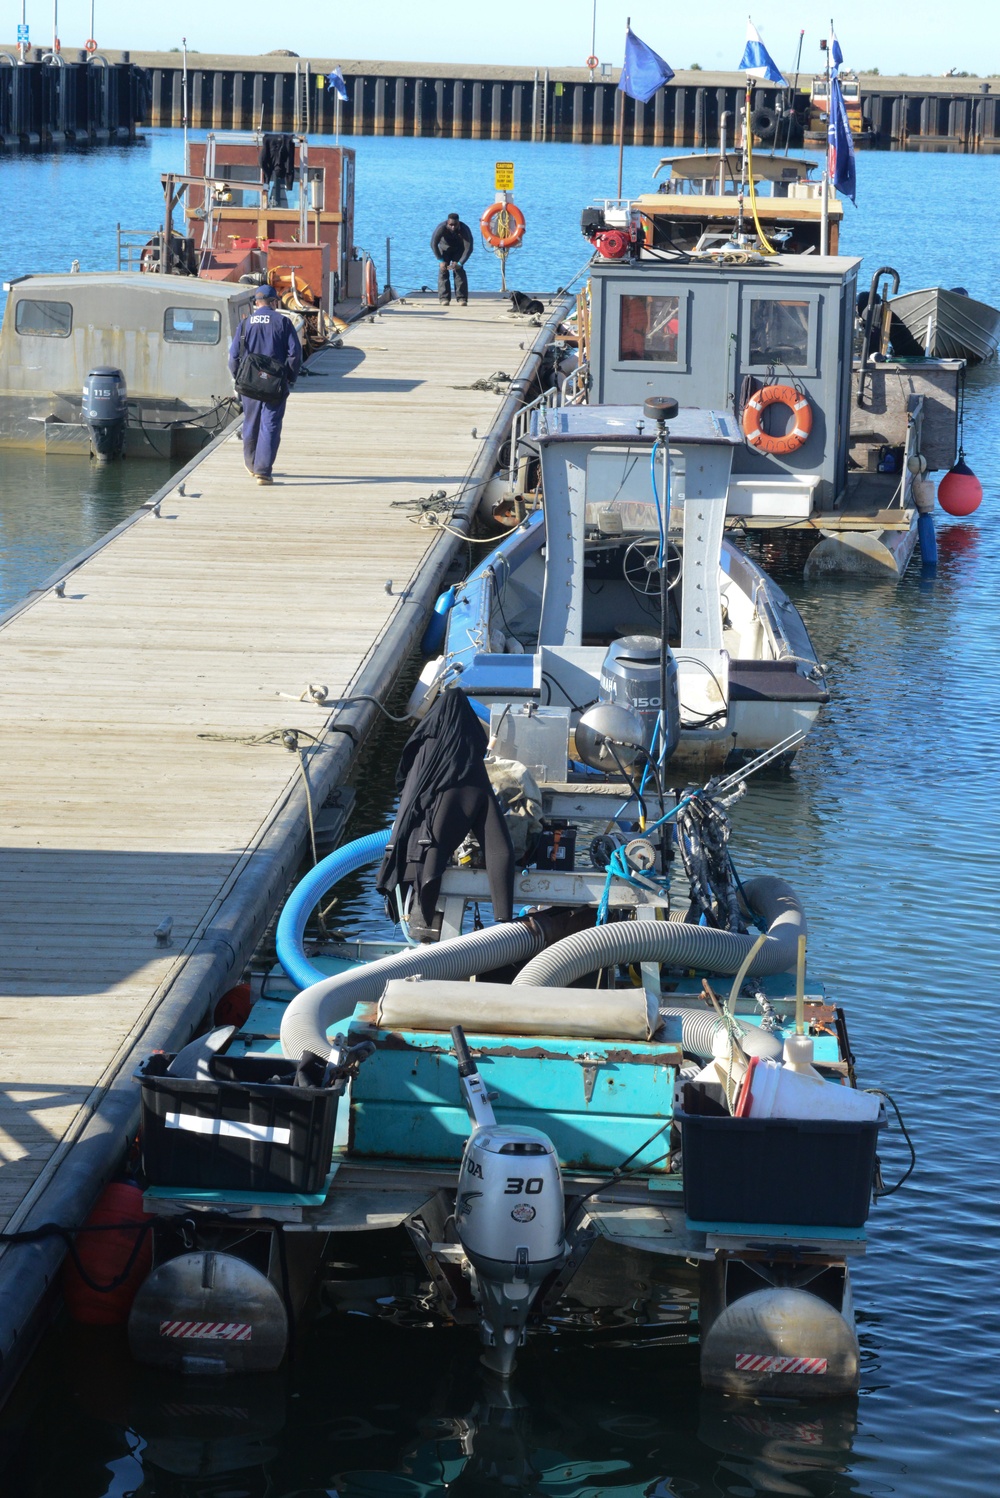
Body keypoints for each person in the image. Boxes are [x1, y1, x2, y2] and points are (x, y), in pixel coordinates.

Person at [228, 285, 302, 485]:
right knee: (270, 425)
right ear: (274, 302)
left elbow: (233, 356)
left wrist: (239, 378)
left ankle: (251, 464)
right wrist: (290, 377)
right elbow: (294, 354)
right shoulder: (283, 322)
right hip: (275, 384)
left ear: (256, 303)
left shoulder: (245, 324)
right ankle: (263, 470)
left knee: (250, 423)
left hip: (250, 383)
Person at [429, 212, 473, 306]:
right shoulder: (441, 228)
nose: (453, 227)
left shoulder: (464, 229)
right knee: (443, 270)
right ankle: (444, 298)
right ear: (447, 223)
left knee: (459, 271)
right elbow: (433, 244)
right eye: (451, 225)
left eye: (455, 225)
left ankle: (462, 298)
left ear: (459, 223)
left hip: (458, 250)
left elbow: (469, 248)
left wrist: (460, 263)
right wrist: (440, 260)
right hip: (445, 250)